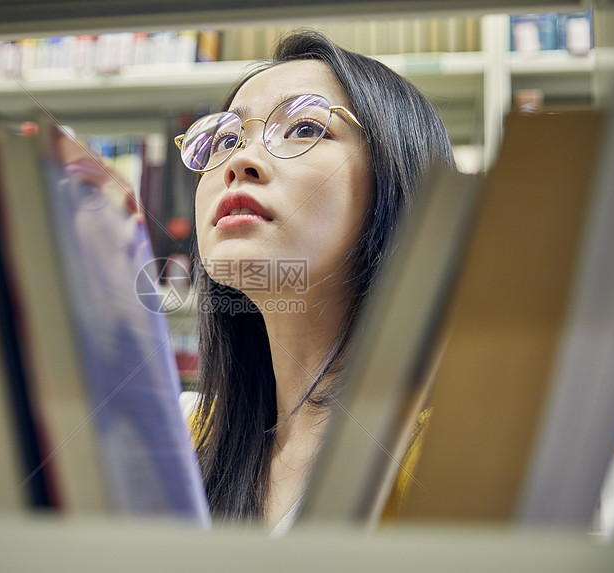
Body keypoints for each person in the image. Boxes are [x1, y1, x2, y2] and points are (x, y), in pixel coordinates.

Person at [174, 30, 455, 532]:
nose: (239, 161)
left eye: (303, 128)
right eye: (223, 140)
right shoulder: (186, 438)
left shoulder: (456, 451)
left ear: (398, 178)